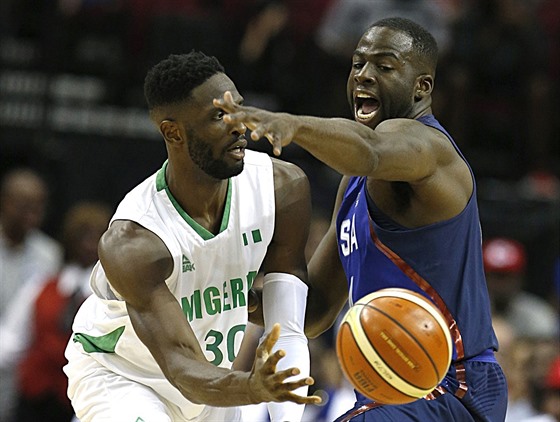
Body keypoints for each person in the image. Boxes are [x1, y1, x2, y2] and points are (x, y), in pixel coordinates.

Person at [214, 16, 508, 421]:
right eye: (357, 64)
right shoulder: (354, 182)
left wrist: (293, 125)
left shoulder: (430, 150)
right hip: (390, 391)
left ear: (421, 86)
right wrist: (232, 295)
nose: (364, 76)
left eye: (384, 67)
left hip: (445, 383)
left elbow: (369, 149)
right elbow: (315, 309)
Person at [63, 51, 321, 422]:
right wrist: (251, 388)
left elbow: (288, 331)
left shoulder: (283, 189)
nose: (240, 126)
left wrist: (282, 412)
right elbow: (181, 364)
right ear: (173, 132)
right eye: (219, 115)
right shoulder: (135, 241)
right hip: (125, 377)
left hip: (215, 383)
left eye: (239, 109)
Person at [0, 201, 112, 422]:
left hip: (81, 404)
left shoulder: (111, 298)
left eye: (95, 237)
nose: (88, 245)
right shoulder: (43, 286)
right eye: (83, 236)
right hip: (33, 401)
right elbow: (10, 341)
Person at [0, 167, 63, 421]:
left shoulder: (49, 254)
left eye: (38, 206)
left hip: (23, 373)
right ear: (5, 202)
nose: (32, 214)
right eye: (24, 205)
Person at [483, 237, 559, 340]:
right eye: (495, 276)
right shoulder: (466, 313)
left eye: (507, 276)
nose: (501, 284)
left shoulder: (538, 315)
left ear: (520, 278)